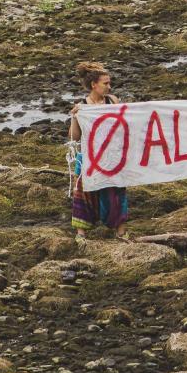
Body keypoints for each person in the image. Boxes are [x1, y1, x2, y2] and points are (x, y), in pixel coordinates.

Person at [68, 62, 128, 240]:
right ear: (94, 85)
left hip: (111, 156)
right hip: (89, 157)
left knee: (116, 192)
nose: (109, 86)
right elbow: (74, 137)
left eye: (109, 83)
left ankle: (121, 232)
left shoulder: (113, 101)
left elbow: (124, 124)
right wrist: (75, 117)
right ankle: (81, 234)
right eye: (105, 83)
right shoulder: (82, 106)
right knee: (84, 193)